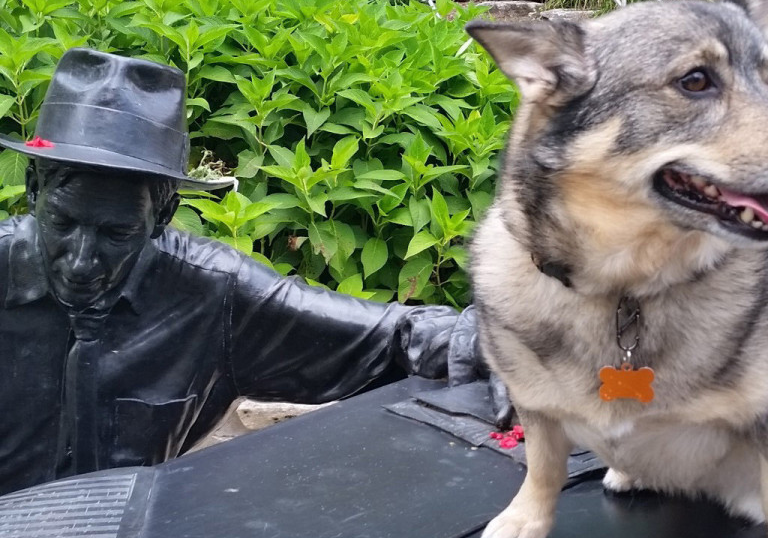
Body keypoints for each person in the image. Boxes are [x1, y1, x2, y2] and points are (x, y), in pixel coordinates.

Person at [0, 47, 490, 496]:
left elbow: (398, 336)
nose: (83, 261)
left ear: (163, 215)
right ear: (33, 191)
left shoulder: (213, 291)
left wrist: (509, 347)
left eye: (117, 234)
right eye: (62, 223)